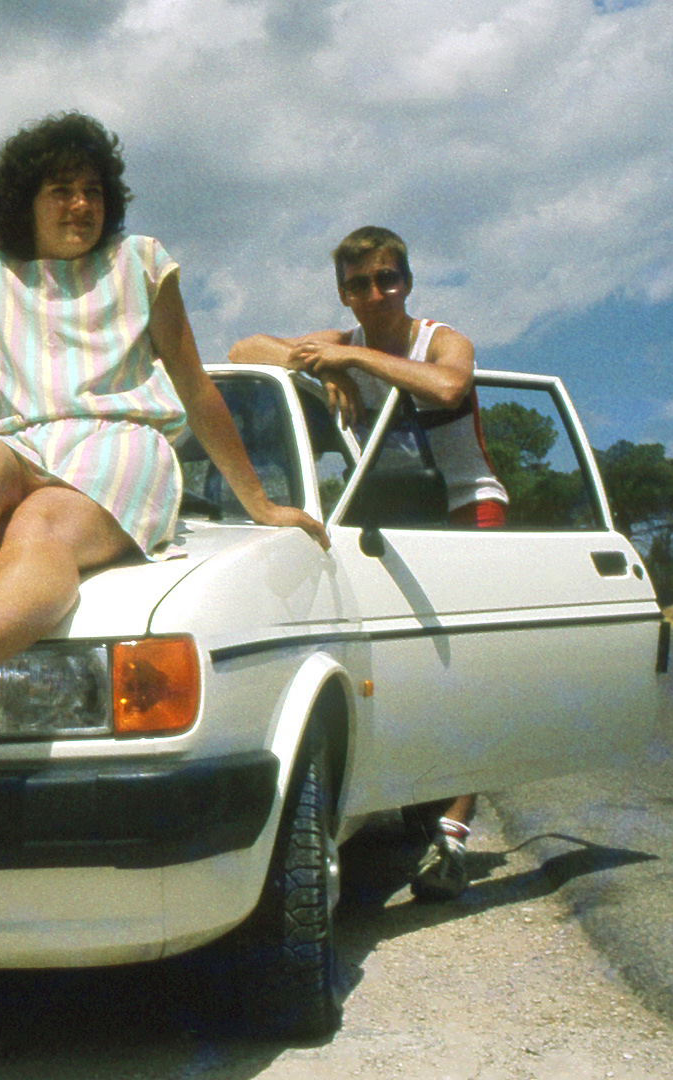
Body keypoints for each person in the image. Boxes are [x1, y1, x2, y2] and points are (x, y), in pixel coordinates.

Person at [0, 112, 329, 872]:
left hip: (122, 443)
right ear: (25, 200)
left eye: (91, 191)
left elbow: (192, 383)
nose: (80, 205)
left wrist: (259, 502)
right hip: (28, 440)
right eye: (60, 191)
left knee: (43, 522)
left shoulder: (142, 263)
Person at [227, 225, 508, 901]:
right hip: (389, 512)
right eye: (359, 284)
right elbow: (243, 349)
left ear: (406, 282)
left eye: (387, 279)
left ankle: (450, 836)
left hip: (467, 508)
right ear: (343, 293)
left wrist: (353, 365)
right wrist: (321, 361)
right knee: (397, 661)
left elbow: (446, 386)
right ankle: (400, 789)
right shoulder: (340, 339)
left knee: (466, 666)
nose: (375, 293)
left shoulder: (439, 337)